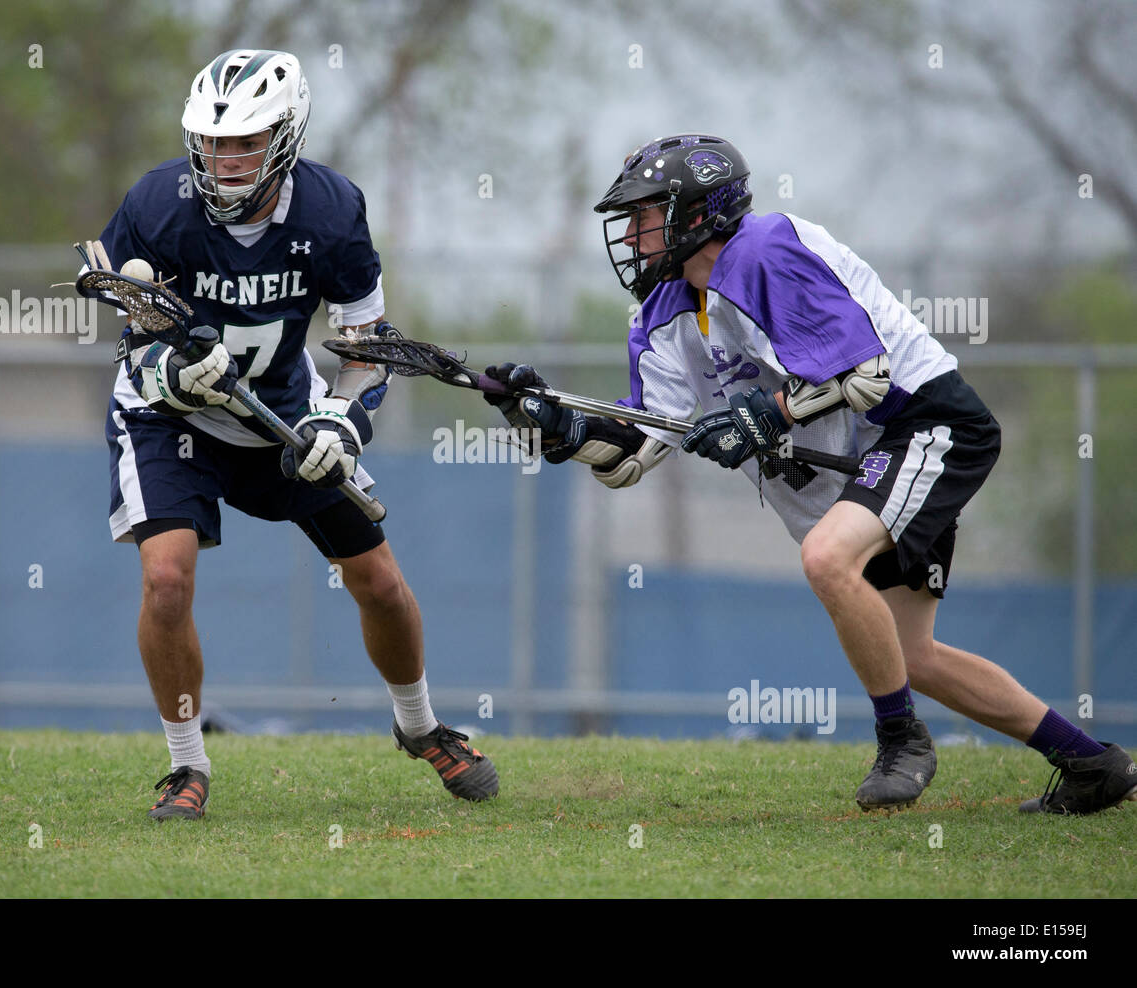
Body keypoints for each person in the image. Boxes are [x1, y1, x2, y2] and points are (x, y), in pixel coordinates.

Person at [483, 133, 1135, 814]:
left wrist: (764, 416)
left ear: (697, 211)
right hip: (862, 464)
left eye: (645, 213)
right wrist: (550, 423)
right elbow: (631, 455)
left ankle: (901, 741)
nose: (631, 232)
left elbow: (865, 373)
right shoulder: (661, 313)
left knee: (828, 559)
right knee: (912, 656)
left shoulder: (764, 252)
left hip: (922, 426)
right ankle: (1092, 765)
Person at [89, 49, 497, 820]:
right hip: (170, 416)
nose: (227, 157)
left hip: (283, 414)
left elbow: (366, 350)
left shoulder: (331, 211)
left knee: (378, 581)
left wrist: (341, 423)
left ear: (286, 135)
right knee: (167, 578)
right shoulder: (157, 204)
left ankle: (419, 726)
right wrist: (169, 374)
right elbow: (130, 335)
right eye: (214, 141)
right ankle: (187, 765)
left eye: (246, 140)